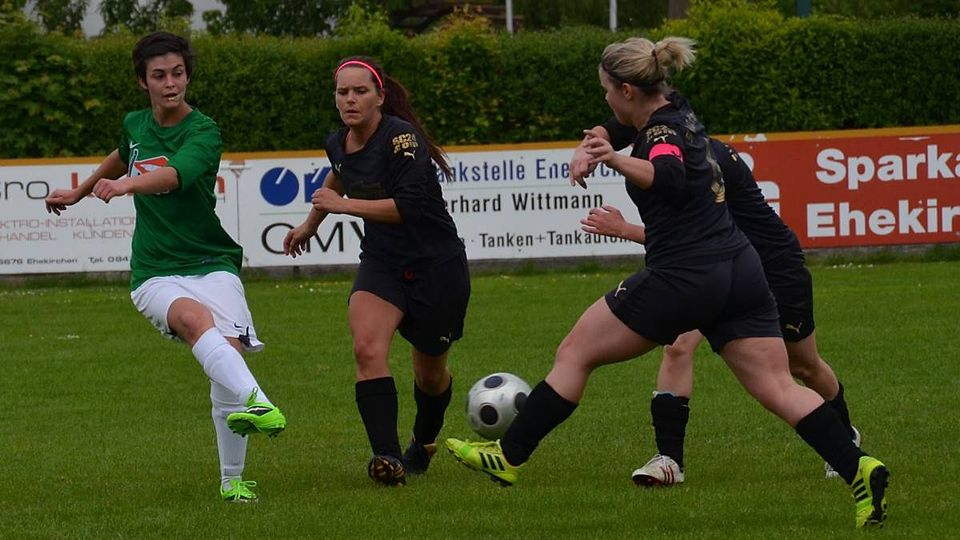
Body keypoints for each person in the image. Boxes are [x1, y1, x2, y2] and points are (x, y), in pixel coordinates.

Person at [444, 36, 888, 529]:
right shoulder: (676, 108)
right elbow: (623, 125)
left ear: (628, 89)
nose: (606, 99)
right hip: (740, 270)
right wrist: (593, 144)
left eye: (607, 90)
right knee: (780, 386)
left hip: (685, 275)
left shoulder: (659, 135)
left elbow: (668, 174)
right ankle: (858, 467)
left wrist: (611, 158)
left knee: (576, 353)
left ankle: (507, 456)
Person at [43, 32, 286, 503]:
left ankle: (232, 481)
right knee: (196, 323)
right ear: (143, 82)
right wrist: (78, 192)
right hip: (154, 269)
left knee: (228, 355)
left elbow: (174, 175)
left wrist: (126, 186)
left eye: (178, 73)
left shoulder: (204, 131)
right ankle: (260, 403)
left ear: (188, 77)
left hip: (211, 260)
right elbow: (122, 153)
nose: (170, 83)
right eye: (159, 75)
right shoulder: (135, 123)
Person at [577, 135, 860, 485]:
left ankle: (844, 436)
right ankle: (669, 461)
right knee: (678, 346)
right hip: (720, 270)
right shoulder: (670, 150)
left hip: (772, 265)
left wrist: (625, 229)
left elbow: (700, 240)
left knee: (803, 365)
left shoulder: (700, 160)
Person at [283, 56, 470, 486]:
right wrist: (310, 225)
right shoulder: (337, 142)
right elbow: (338, 174)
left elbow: (408, 208)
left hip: (436, 267)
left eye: (360, 91)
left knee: (431, 375)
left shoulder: (402, 139)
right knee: (367, 348)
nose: (350, 99)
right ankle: (387, 458)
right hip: (382, 263)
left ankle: (423, 442)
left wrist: (343, 206)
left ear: (380, 97)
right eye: (343, 92)